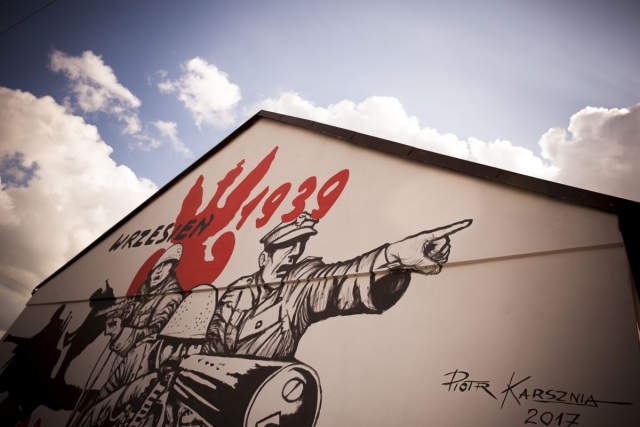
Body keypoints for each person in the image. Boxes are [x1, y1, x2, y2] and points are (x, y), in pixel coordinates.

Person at [204, 212, 472, 360]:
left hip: (269, 393)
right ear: (264, 257)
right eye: (286, 247)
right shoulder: (237, 290)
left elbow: (341, 281)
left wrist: (392, 257)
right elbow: (213, 340)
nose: (294, 254)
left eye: (299, 247)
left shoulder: (301, 285)